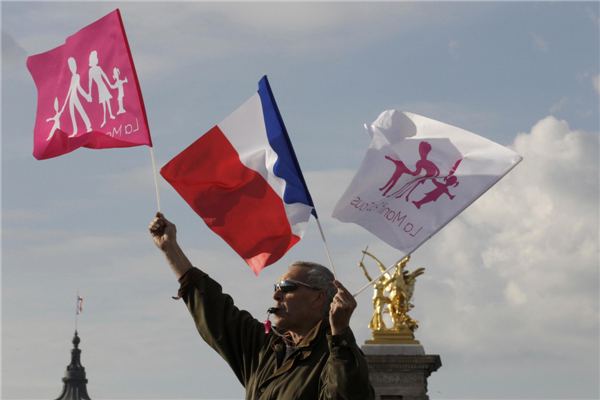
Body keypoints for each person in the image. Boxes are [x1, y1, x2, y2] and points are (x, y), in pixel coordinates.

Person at [149, 212, 375, 400]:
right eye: (276, 286)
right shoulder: (265, 348)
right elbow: (215, 311)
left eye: (287, 287)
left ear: (318, 298)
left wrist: (341, 334)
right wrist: (171, 249)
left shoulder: (336, 354)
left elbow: (344, 395)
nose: (276, 294)